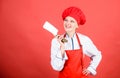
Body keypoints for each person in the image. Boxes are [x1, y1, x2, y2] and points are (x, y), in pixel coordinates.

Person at [50, 6, 102, 78]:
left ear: (77, 25)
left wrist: (91, 69)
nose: (68, 23)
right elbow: (56, 67)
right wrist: (62, 47)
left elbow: (97, 55)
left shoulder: (84, 40)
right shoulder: (56, 41)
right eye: (66, 20)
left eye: (72, 21)